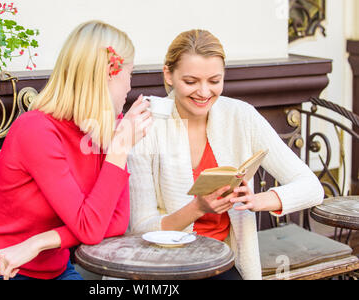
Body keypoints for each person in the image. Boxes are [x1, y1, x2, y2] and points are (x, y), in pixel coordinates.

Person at [127, 29, 324, 280]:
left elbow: (312, 187)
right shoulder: (147, 124)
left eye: (214, 80)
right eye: (190, 81)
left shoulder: (241, 116)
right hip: (164, 266)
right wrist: (197, 208)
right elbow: (140, 230)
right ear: (168, 75)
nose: (204, 92)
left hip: (221, 263)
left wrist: (257, 201)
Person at [0, 20, 152, 280]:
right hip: (2, 270)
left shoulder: (104, 131)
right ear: (111, 70)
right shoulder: (36, 129)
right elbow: (90, 228)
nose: (130, 87)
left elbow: (116, 222)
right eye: (129, 74)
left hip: (57, 271)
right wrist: (119, 148)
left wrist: (38, 243)